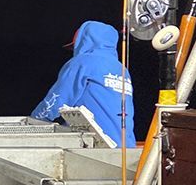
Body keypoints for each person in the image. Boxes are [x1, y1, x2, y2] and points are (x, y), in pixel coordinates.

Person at [31, 19, 136, 147]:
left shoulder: (82, 62)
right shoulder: (122, 69)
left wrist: (34, 122)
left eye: (76, 45)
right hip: (127, 148)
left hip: (98, 146)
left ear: (85, 41)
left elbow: (57, 99)